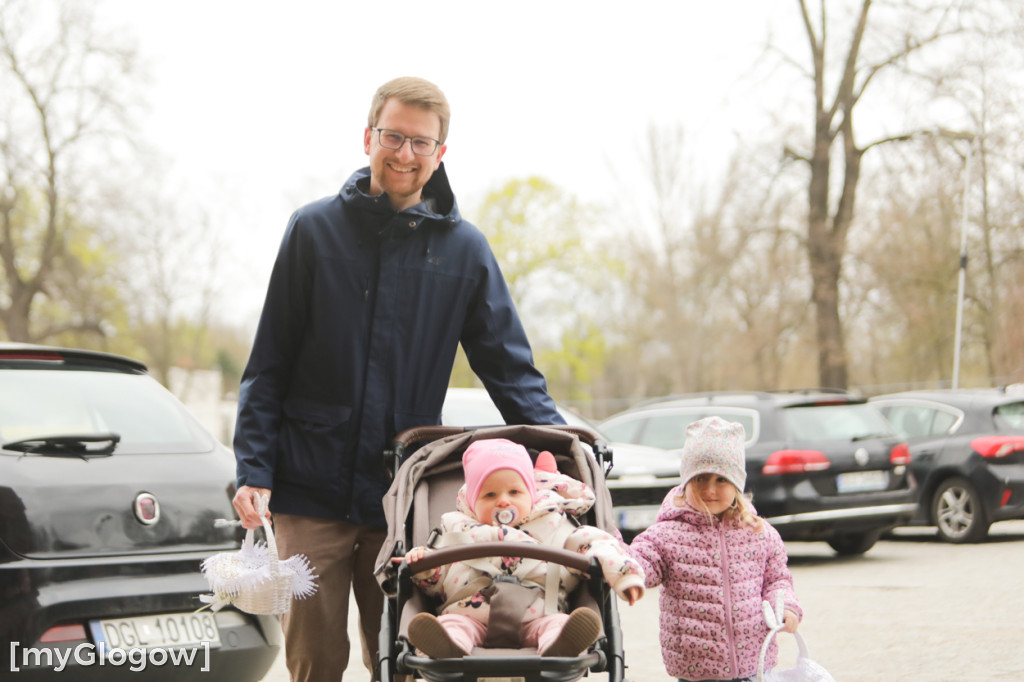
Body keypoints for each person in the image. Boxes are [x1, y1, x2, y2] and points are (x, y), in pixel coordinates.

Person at [231, 77, 565, 682]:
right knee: (313, 662)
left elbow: (510, 369)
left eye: (421, 142)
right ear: (368, 138)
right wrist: (254, 468)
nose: (405, 154)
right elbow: (269, 362)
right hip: (309, 489)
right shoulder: (313, 231)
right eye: (393, 136)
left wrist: (562, 449)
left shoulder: (464, 250)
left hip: (402, 498)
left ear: (440, 153)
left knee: (403, 661)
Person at [404, 438, 645, 658]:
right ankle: (447, 647)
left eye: (514, 492)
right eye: (490, 495)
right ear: (472, 502)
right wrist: (425, 566)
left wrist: (625, 576)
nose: (503, 501)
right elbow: (436, 584)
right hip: (470, 614)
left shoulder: (554, 525)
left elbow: (597, 544)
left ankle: (560, 646)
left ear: (531, 493)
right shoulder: (457, 531)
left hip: (538, 613)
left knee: (558, 624)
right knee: (452, 626)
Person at [628, 416, 802, 682]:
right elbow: (640, 564)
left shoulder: (759, 533)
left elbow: (777, 579)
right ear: (686, 482)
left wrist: (785, 605)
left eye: (721, 479)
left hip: (754, 663)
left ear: (736, 484)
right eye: (700, 478)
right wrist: (616, 554)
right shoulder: (667, 535)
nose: (709, 489)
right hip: (697, 669)